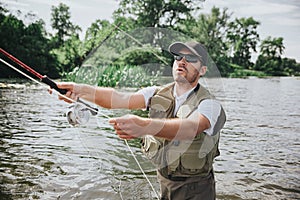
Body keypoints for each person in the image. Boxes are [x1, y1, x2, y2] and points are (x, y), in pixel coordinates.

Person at [54, 41, 226, 200]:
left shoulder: (210, 105)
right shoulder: (155, 93)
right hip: (164, 181)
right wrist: (80, 89)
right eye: (178, 57)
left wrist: (145, 126)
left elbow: (191, 127)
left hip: (198, 190)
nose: (182, 61)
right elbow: (118, 98)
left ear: (202, 70)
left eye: (190, 58)